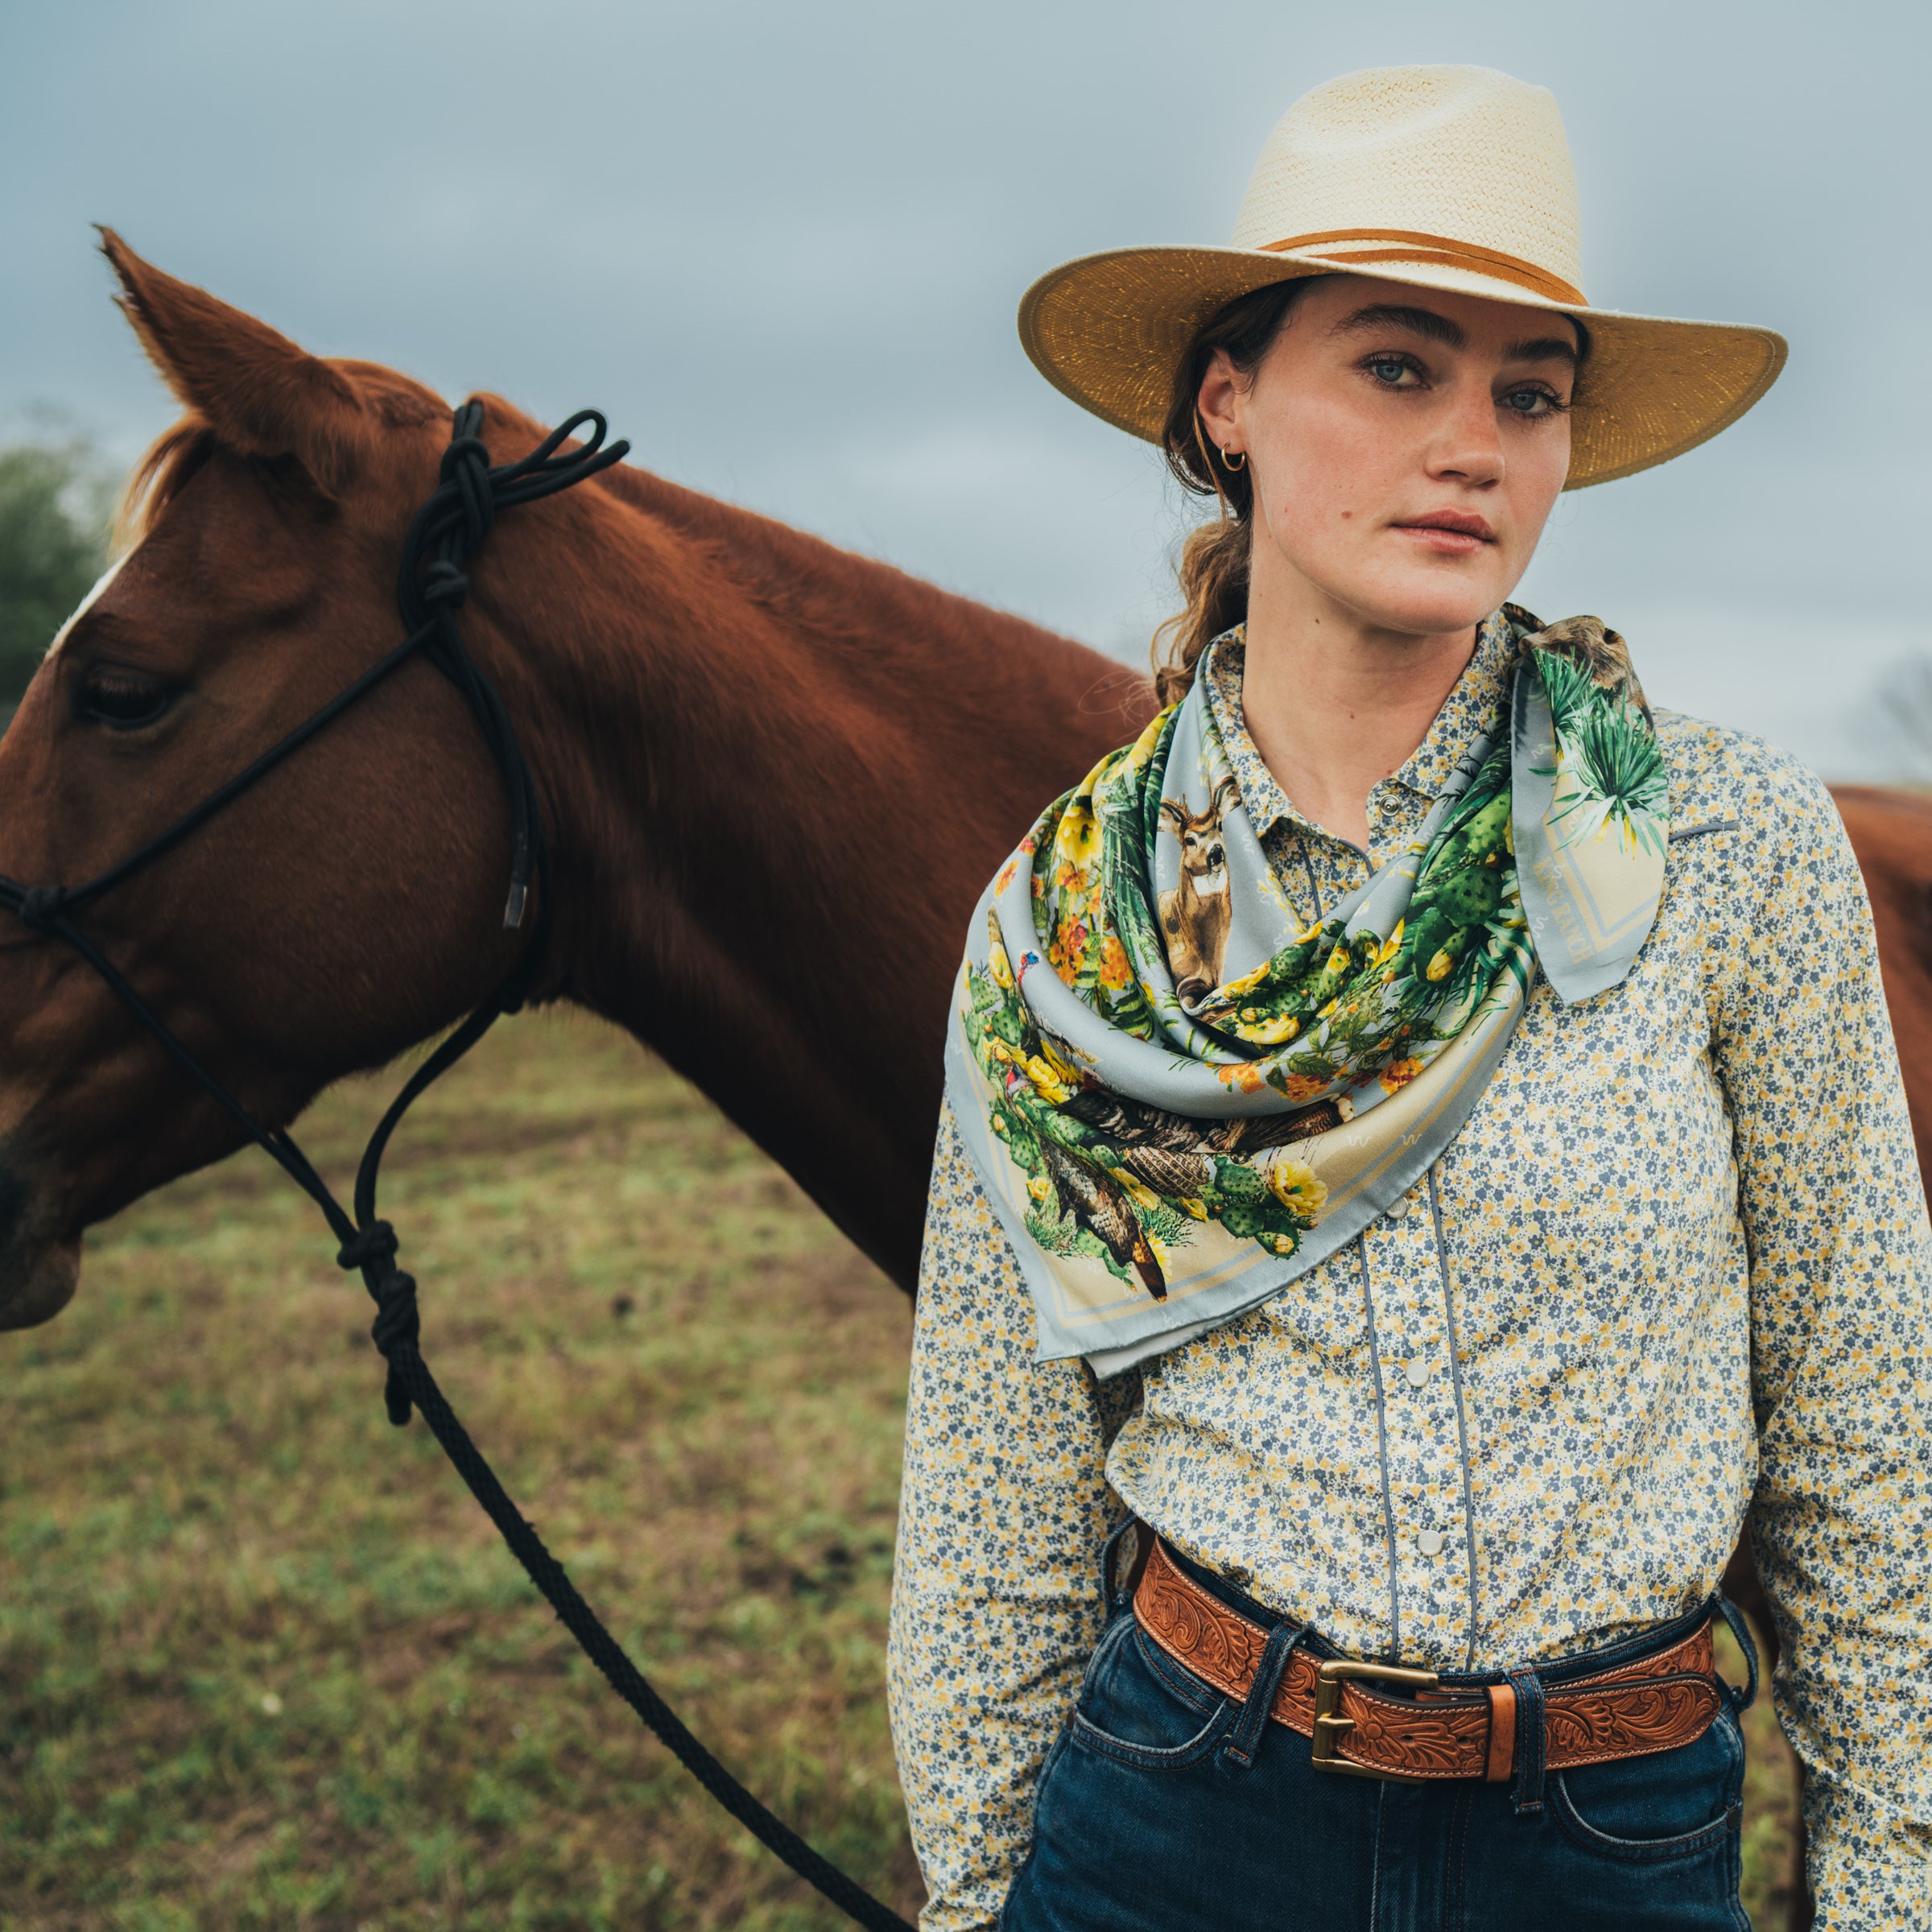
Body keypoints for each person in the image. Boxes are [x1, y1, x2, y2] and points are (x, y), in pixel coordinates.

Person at [886, 64, 1932, 1932]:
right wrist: (979, 1897)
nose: (1476, 445)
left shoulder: (1723, 844)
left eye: (1530, 391)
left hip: (1611, 1838)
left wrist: (1892, 1878)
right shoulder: (1070, 924)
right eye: (1396, 366)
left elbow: (1863, 1423)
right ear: (1228, 403)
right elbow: (998, 1480)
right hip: (1180, 1819)